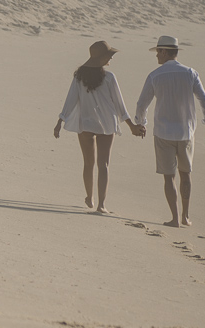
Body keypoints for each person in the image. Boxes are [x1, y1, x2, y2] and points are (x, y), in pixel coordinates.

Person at [132, 35, 205, 227]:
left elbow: (142, 103)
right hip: (186, 132)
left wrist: (140, 123)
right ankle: (186, 216)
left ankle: (175, 218)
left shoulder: (155, 75)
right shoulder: (190, 73)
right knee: (185, 174)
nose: (156, 57)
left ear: (163, 51)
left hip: (163, 132)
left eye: (157, 53)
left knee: (168, 176)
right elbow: (203, 99)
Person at [53, 40, 142, 214]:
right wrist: (131, 125)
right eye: (109, 56)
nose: (110, 59)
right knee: (104, 165)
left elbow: (70, 100)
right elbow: (119, 105)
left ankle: (89, 197)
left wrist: (60, 120)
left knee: (88, 163)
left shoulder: (79, 78)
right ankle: (101, 205)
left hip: (86, 123)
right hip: (107, 125)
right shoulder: (109, 77)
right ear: (101, 59)